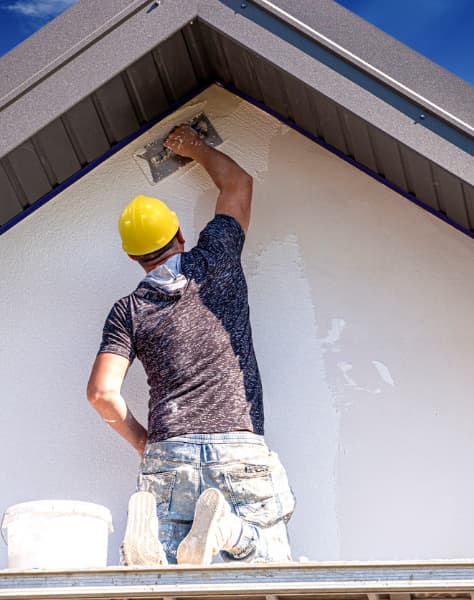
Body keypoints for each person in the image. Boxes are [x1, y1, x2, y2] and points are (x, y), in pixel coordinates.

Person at [86, 124, 295, 566]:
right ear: (180, 235)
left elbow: (102, 394)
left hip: (169, 452)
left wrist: (146, 445)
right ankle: (231, 531)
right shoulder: (217, 257)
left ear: (132, 257)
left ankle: (152, 555)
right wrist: (193, 147)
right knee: (271, 571)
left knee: (165, 586)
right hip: (239, 445)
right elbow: (237, 183)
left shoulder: (128, 310)